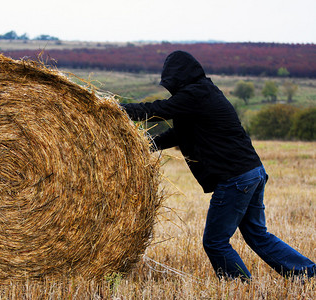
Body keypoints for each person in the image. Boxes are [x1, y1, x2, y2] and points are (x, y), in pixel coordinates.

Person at [120, 50, 315, 281]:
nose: (170, 88)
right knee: (257, 235)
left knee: (215, 241)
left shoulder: (196, 93)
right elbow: (180, 134)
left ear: (180, 78)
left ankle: (240, 287)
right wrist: (144, 145)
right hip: (253, 172)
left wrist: (115, 110)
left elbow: (157, 111)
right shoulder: (203, 94)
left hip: (235, 178)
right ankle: (306, 272)